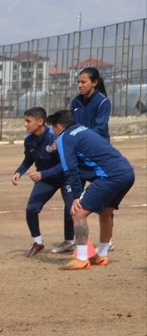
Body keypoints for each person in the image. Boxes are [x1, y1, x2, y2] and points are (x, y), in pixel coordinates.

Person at [45, 109, 135, 271]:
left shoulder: (64, 138)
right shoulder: (84, 129)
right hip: (127, 172)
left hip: (110, 176)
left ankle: (81, 258)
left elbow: (70, 168)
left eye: (53, 129)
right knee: (105, 213)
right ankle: (102, 255)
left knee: (77, 212)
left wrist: (76, 196)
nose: (53, 133)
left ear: (58, 127)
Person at [55, 67, 112, 253]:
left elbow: (100, 128)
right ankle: (70, 239)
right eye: (78, 82)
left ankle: (107, 241)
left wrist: (79, 139)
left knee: (105, 202)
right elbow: (70, 126)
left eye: (83, 82)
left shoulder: (103, 102)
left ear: (94, 82)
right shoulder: (75, 102)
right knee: (72, 199)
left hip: (97, 156)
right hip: (79, 156)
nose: (80, 85)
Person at [11, 107, 72, 257]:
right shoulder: (29, 140)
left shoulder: (55, 137)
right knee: (31, 209)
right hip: (45, 178)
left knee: (71, 209)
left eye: (28, 121)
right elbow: (28, 159)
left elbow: (65, 164)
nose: (25, 124)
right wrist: (19, 172)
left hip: (65, 177)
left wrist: (43, 174)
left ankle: (70, 241)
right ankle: (38, 242)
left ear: (40, 121)